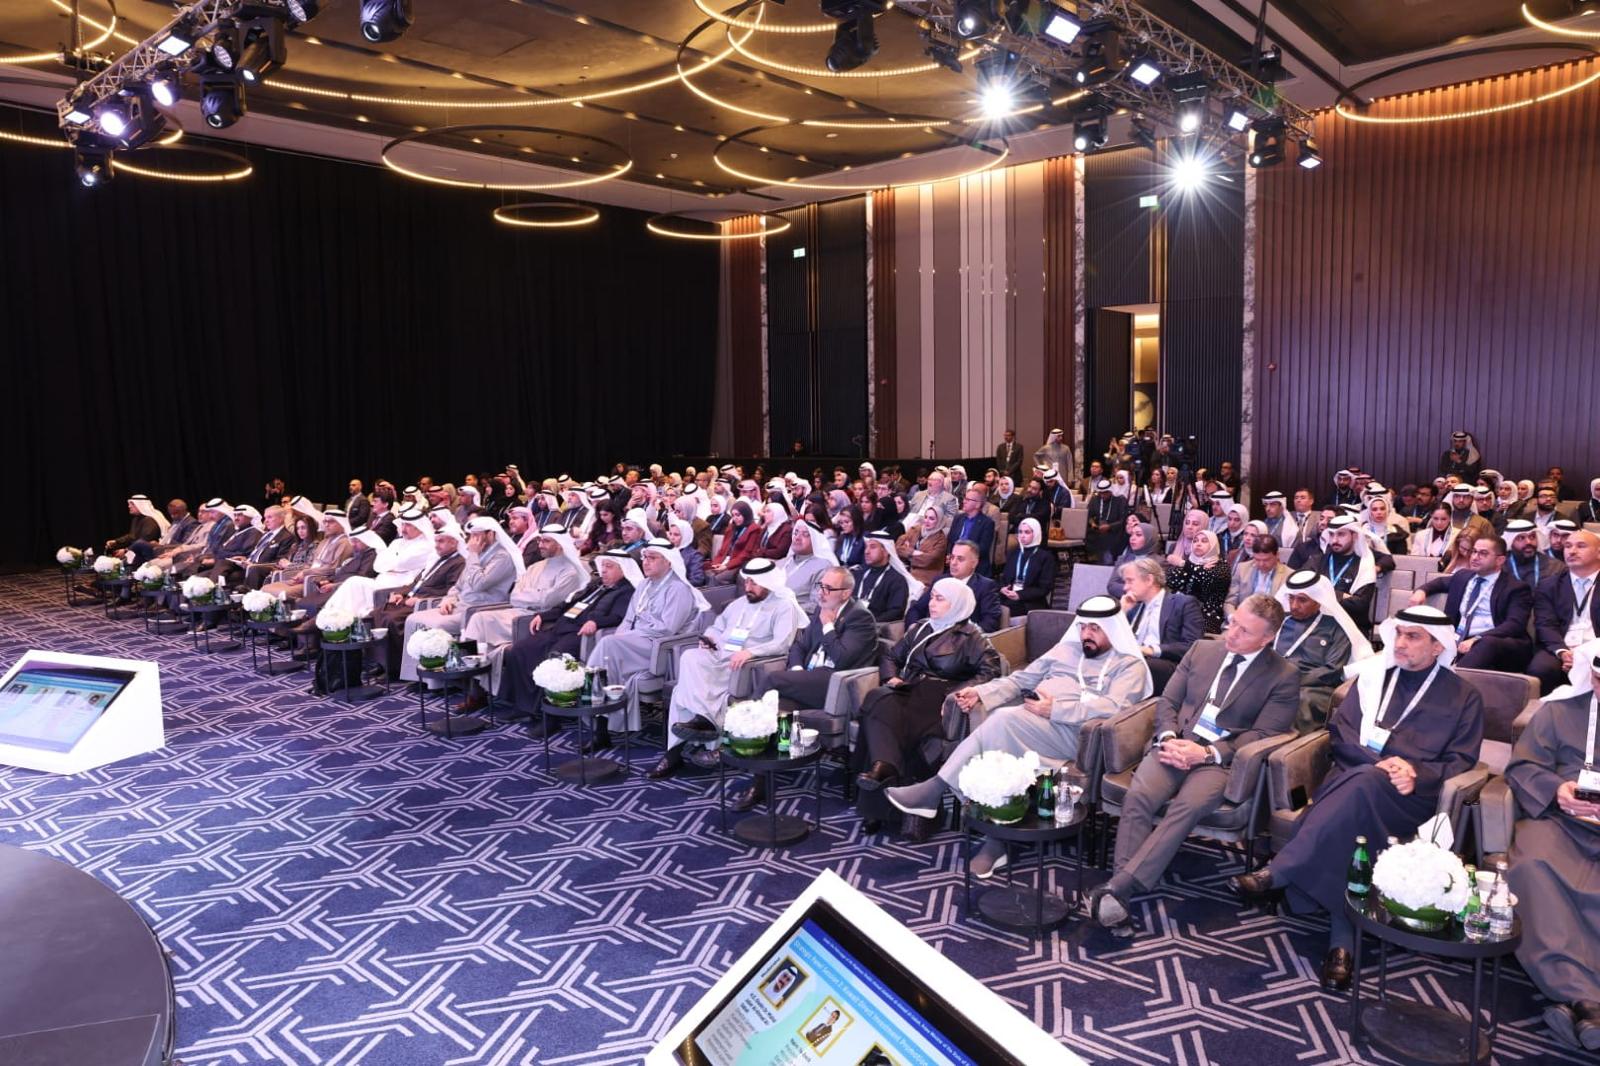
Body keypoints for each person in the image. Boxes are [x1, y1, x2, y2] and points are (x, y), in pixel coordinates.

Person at [1232, 606, 1484, 990]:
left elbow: (1461, 760)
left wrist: (1416, 773)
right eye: (1398, 633)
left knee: (1357, 797)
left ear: (1438, 646)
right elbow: (1341, 735)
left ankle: (1280, 871)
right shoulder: (1373, 679)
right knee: (1361, 794)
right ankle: (1342, 942)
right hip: (1355, 778)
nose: (1400, 643)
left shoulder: (1465, 697)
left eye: (1413, 636)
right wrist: (1379, 766)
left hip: (1411, 797)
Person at [886, 596, 1152, 874]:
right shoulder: (1065, 650)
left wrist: (1056, 709)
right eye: (1083, 627)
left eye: (1095, 629)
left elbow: (1114, 707)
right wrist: (980, 692)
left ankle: (936, 791)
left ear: (1113, 629)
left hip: (1080, 736)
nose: (1086, 634)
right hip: (1036, 723)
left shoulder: (1128, 665)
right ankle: (995, 839)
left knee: (1003, 720)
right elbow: (1020, 679)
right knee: (1000, 744)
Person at [1089, 595, 1299, 937]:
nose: (1232, 633)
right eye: (1234, 623)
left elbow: (1264, 733)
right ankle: (1119, 894)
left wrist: (1207, 753)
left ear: (1267, 638)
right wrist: (1168, 736)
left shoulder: (1283, 675)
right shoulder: (1202, 650)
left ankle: (1119, 888)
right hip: (1173, 745)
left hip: (1219, 762)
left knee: (1186, 807)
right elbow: (1168, 701)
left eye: (1245, 631)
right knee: (1139, 796)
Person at [1500, 643, 1600, 1051]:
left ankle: (1580, 1005)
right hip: (1560, 823)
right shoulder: (1557, 713)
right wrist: (1557, 789)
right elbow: (1522, 766)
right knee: (1532, 866)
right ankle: (1584, 999)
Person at [853, 578, 1001, 839]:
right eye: (932, 597)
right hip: (909, 689)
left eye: (940, 599)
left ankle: (880, 790)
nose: (932, 603)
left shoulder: (972, 636)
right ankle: (884, 767)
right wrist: (891, 677)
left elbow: (992, 670)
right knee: (878, 701)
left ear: (957, 603)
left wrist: (960, 692)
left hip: (940, 697)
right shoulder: (921, 627)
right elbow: (890, 656)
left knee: (881, 706)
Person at [654, 558, 804, 777]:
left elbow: (782, 643)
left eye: (754, 583)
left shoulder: (784, 607)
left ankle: (675, 752)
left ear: (769, 582)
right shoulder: (738, 604)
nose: (748, 587)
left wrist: (752, 652)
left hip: (745, 666)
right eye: (747, 582)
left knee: (680, 692)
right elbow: (717, 627)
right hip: (719, 657)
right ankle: (705, 722)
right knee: (690, 657)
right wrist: (710, 639)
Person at [498, 550, 637, 728]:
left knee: (555, 659)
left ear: (623, 569)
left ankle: (552, 717)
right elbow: (567, 605)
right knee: (520, 649)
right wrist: (543, 616)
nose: (603, 570)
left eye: (609, 567)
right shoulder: (595, 585)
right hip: (561, 627)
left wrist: (596, 622)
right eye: (602, 566)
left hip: (582, 634)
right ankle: (523, 707)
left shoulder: (626, 591)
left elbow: (618, 617)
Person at [592, 540, 706, 750]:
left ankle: (597, 715)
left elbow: (667, 629)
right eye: (644, 557)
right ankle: (601, 725)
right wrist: (622, 636)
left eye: (652, 558)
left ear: (668, 562)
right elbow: (628, 619)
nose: (645, 562)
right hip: (635, 642)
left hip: (658, 647)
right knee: (609, 650)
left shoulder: (678, 589)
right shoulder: (644, 585)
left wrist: (628, 636)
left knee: (608, 646)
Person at [397, 517, 520, 682]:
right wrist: (448, 599)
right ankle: (420, 679)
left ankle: (439, 681)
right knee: (413, 619)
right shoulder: (478, 554)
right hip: (459, 605)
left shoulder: (502, 557)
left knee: (436, 625)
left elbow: (479, 584)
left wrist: (473, 555)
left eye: (477, 535)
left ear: (490, 534)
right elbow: (458, 585)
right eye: (471, 536)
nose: (472, 540)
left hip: (480, 609)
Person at [1411, 534, 1533, 672]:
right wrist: (1421, 591)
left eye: (1483, 553)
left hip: (1495, 642)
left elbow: (1515, 624)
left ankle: (1453, 680)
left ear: (1500, 560)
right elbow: (1440, 583)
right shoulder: (1463, 576)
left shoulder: (1515, 588)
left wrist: (1478, 638)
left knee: (1486, 644)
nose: (1475, 557)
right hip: (1459, 637)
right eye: (1474, 551)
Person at [1273, 569, 1370, 731]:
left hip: (1314, 687)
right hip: (1275, 679)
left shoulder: (1336, 628)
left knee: (1298, 700)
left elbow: (1333, 670)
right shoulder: (1280, 622)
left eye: (1302, 600)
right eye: (1291, 598)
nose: (1294, 605)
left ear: (1318, 601)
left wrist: (1292, 679)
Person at [371, 526, 468, 680]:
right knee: (375, 614)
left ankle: (395, 669)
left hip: (424, 604)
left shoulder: (459, 563)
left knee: (391, 620)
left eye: (441, 541)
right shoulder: (437, 560)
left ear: (454, 543)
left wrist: (420, 600)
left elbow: (450, 591)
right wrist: (400, 593)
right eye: (436, 541)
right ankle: (381, 663)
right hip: (409, 600)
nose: (436, 545)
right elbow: (417, 583)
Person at [1528, 531, 1600, 693]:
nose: (1572, 551)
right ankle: (1548, 709)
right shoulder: (1549, 585)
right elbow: (1545, 624)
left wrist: (1586, 654)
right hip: (1560, 645)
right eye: (1568, 546)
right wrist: (1562, 652)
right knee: (1541, 669)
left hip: (1596, 646)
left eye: (1581, 546)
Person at [903, 541, 1003, 632]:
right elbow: (916, 609)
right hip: (931, 635)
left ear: (974, 563)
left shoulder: (986, 586)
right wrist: (913, 626)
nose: (953, 563)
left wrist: (962, 636)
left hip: (961, 641)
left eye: (960, 559)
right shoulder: (940, 581)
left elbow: (991, 623)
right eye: (952, 557)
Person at [1166, 529, 1231, 634]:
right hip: (1182, 614)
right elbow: (1171, 579)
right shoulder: (1190, 562)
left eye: (1204, 541)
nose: (1198, 544)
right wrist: (1198, 570)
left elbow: (1208, 581)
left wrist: (1184, 565)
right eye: (1195, 541)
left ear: (1213, 545)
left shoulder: (1221, 566)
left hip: (1207, 617)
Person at [997, 517, 1056, 617]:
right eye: (1020, 532)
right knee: (987, 603)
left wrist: (1020, 595)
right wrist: (1002, 588)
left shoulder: (1045, 557)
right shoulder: (1013, 553)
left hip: (1031, 601)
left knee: (1003, 610)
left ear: (1036, 533)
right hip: (1009, 596)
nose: (1022, 536)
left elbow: (1044, 588)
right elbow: (1004, 577)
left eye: (1027, 532)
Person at [854, 531, 916, 623]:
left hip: (876, 626)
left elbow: (896, 612)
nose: (866, 551)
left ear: (886, 551)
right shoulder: (858, 573)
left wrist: (869, 623)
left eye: (873, 547)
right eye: (866, 547)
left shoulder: (897, 580)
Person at [1224, 535, 1288, 620]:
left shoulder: (1288, 575)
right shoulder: (1242, 569)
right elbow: (1229, 602)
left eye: (1266, 560)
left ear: (1277, 555)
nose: (1261, 564)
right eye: (1257, 559)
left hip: (1271, 623)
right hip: (1242, 619)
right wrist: (1233, 617)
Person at [779, 520, 834, 613]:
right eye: (795, 533)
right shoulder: (784, 562)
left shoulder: (823, 567)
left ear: (816, 541)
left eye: (805, 534)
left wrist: (783, 611)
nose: (797, 538)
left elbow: (816, 605)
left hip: (796, 617)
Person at [706, 500, 760, 585]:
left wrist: (726, 566)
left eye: (738, 515)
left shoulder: (754, 529)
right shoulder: (731, 528)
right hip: (725, 560)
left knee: (717, 578)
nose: (735, 518)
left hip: (738, 564)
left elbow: (745, 554)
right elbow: (722, 550)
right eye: (733, 515)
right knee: (707, 573)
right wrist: (716, 563)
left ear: (746, 514)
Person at [896, 506, 950, 589]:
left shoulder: (941, 540)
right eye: (926, 517)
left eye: (931, 519)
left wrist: (907, 552)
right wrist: (913, 552)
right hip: (905, 570)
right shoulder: (915, 529)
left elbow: (927, 561)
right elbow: (898, 547)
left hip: (924, 578)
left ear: (939, 521)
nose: (927, 521)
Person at [1504, 517, 1565, 587]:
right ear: (1510, 542)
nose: (1528, 542)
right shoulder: (1501, 566)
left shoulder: (1556, 567)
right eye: (1521, 538)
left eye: (1532, 537)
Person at [1086, 478, 1130, 564]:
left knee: (1109, 543)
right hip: (1097, 531)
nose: (1102, 495)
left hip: (1114, 532)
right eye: (1101, 493)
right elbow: (1088, 515)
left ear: (1110, 491)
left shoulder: (1119, 501)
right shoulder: (1095, 500)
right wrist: (1092, 523)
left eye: (1105, 493)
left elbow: (1123, 520)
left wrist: (1110, 526)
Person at [948, 488, 996, 567]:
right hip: (954, 560)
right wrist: (949, 554)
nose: (964, 501)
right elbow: (950, 540)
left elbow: (982, 549)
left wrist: (963, 557)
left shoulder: (987, 523)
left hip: (974, 564)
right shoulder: (958, 518)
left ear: (978, 504)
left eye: (968, 500)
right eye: (964, 498)